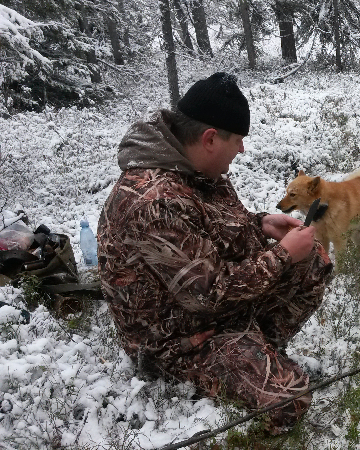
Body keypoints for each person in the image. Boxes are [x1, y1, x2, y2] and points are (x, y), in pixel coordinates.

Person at [97, 72, 333, 434]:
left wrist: (260, 226)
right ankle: (240, 371)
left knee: (312, 262)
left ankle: (255, 355)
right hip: (181, 339)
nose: (242, 150)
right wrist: (282, 255)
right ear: (209, 138)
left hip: (216, 313)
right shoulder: (154, 202)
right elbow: (208, 294)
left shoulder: (197, 169)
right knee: (291, 399)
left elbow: (214, 233)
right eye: (237, 140)